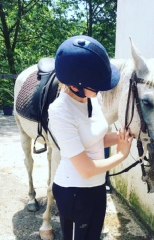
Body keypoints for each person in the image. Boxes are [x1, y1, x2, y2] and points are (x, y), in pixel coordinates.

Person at [48, 35, 134, 240]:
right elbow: (86, 169)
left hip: (96, 187)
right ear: (76, 84)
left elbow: (95, 139)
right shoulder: (61, 111)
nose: (103, 88)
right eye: (96, 85)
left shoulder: (90, 98)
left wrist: (123, 137)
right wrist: (122, 155)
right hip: (75, 190)